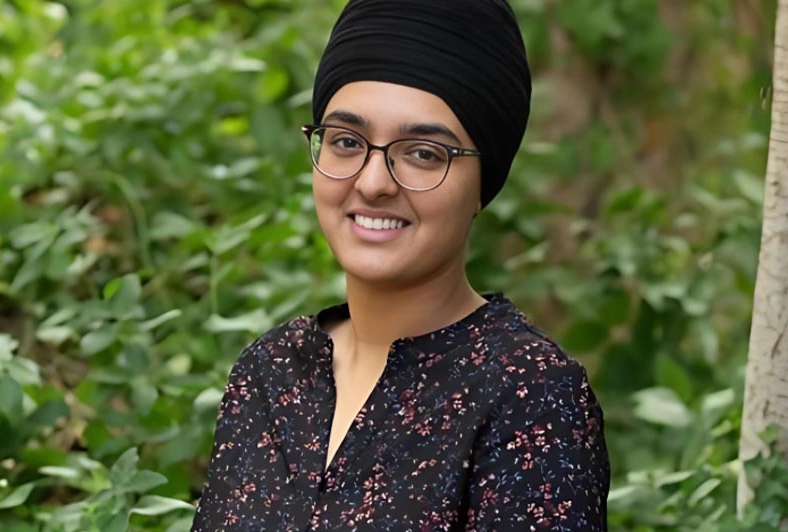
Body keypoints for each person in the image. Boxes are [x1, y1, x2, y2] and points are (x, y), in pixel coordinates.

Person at [191, 0, 610, 530]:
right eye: (346, 142)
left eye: (423, 154)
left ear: (483, 184)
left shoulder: (528, 393)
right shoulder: (272, 371)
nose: (372, 182)